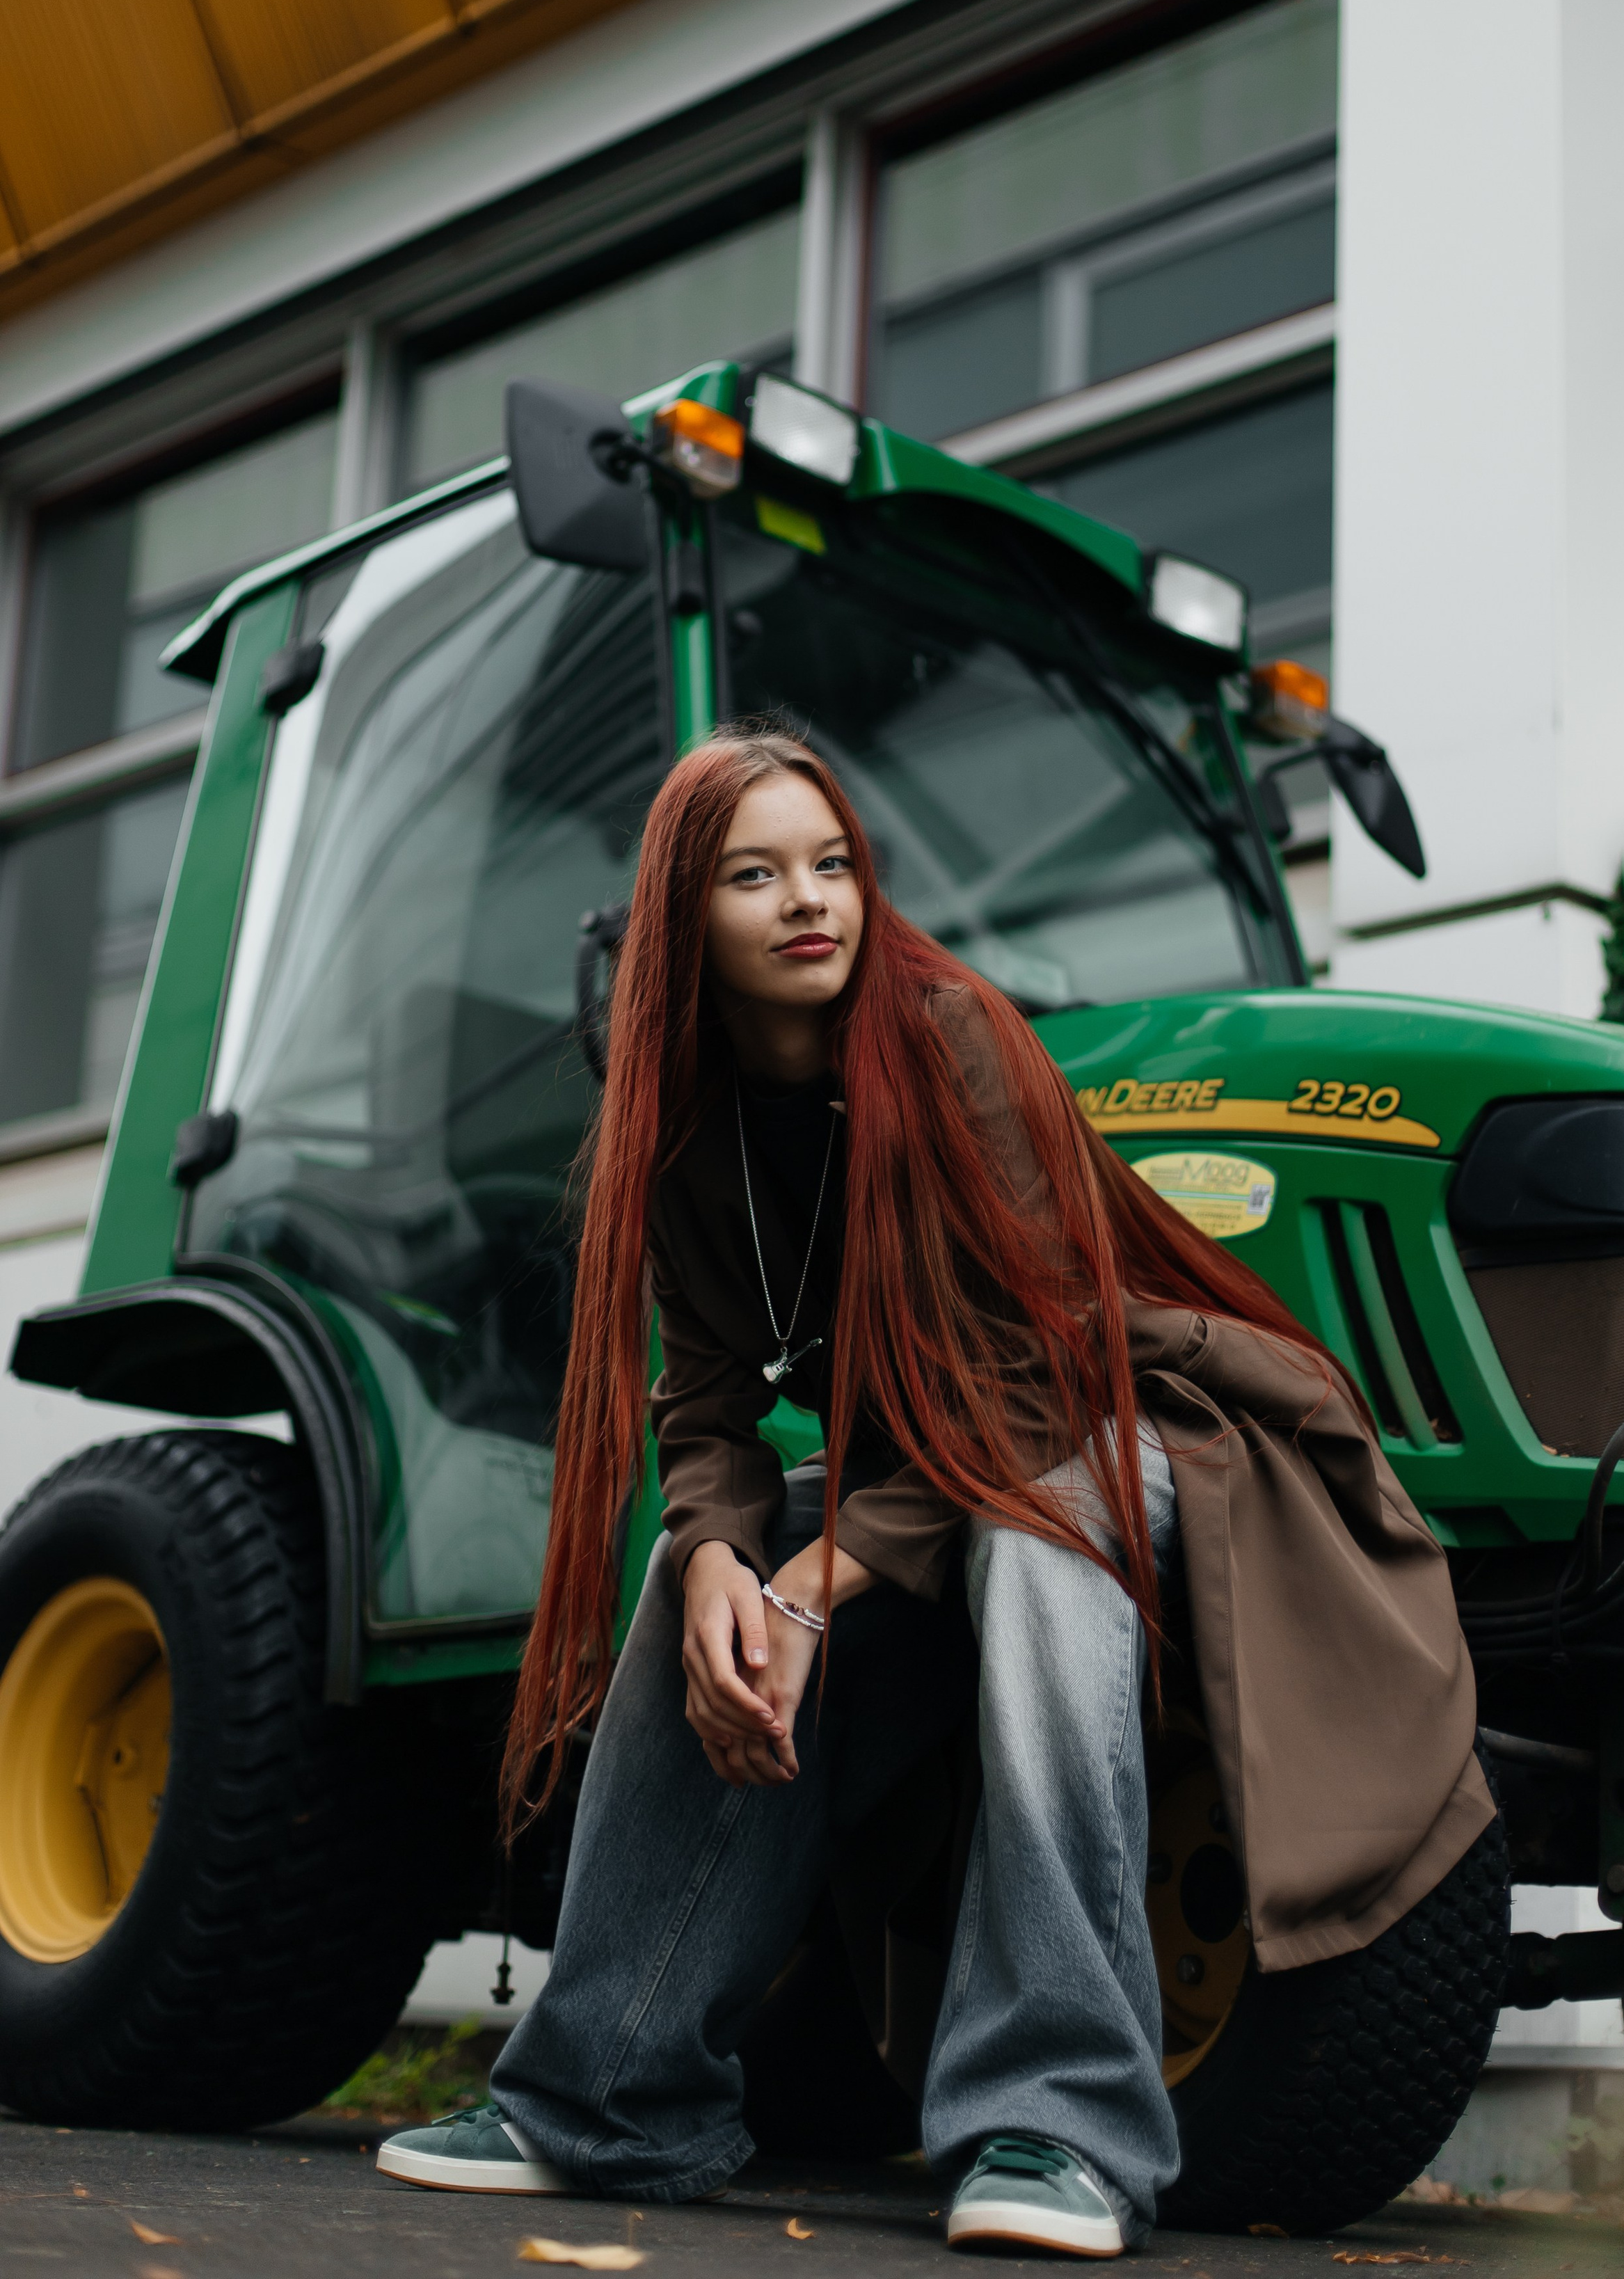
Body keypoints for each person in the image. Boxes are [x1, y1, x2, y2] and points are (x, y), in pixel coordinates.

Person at [379, 724, 1491, 2256]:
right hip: (928, 1458)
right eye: (755, 875)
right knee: (693, 1591)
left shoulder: (951, 1040)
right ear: (679, 916)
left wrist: (818, 1581)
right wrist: (715, 1555)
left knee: (1037, 1548)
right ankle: (603, 2095)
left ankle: (1057, 2129)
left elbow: (1039, 1384)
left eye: (829, 863)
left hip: (1123, 1426)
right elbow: (706, 1396)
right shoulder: (679, 1123)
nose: (808, 902)